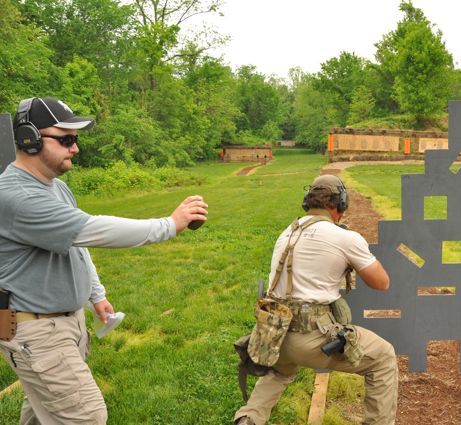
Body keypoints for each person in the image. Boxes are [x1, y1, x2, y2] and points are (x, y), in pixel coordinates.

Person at [0, 97, 208, 424]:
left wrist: (95, 294)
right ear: (30, 139)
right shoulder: (16, 196)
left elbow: (76, 243)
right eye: (66, 139)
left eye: (75, 139)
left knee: (44, 413)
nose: (75, 148)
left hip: (61, 320)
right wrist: (169, 225)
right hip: (35, 328)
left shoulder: (56, 187)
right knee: (88, 416)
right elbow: (93, 229)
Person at [234, 174, 398, 425]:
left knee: (281, 371)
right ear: (340, 203)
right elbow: (381, 283)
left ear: (307, 202)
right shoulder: (344, 238)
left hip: (275, 335)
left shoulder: (288, 232)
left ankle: (248, 419)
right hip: (312, 338)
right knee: (383, 358)